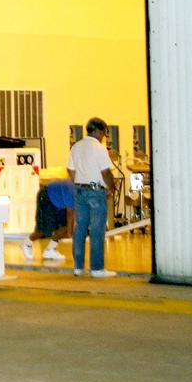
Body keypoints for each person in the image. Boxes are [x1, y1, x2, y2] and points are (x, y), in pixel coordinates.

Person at [68, 117, 118, 278]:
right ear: (97, 131)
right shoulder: (99, 148)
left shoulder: (75, 147)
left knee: (80, 228)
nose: (104, 135)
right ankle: (97, 269)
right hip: (96, 191)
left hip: (79, 190)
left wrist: (79, 183)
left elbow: (70, 170)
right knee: (97, 230)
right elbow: (106, 172)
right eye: (104, 132)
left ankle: (78, 267)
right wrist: (112, 188)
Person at [20, 178, 74, 261]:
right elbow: (70, 214)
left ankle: (50, 250)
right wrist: (70, 233)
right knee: (44, 230)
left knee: (65, 227)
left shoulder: (83, 190)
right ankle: (26, 243)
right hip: (47, 196)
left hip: (60, 202)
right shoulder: (73, 190)